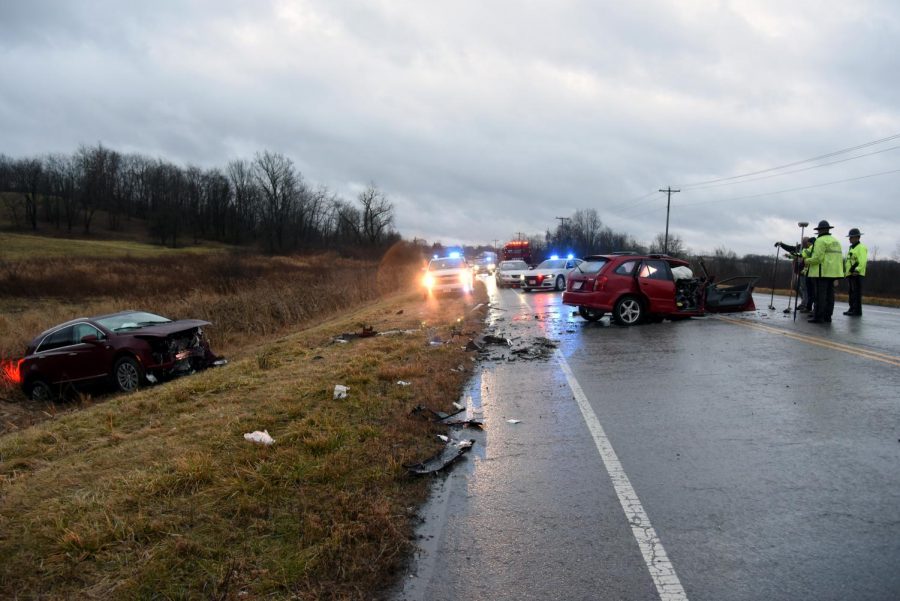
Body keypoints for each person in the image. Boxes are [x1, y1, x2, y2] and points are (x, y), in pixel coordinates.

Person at [804, 220, 843, 323]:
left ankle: (818, 316)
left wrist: (806, 260)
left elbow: (817, 258)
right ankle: (827, 316)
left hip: (822, 272)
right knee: (830, 296)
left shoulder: (820, 241)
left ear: (820, 230)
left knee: (820, 296)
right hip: (833, 273)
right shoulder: (836, 241)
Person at [843, 228, 868, 316]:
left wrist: (857, 270)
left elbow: (862, 261)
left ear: (857, 237)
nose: (849, 239)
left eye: (851, 237)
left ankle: (857, 310)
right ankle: (852, 308)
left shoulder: (860, 248)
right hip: (851, 274)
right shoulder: (852, 248)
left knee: (856, 293)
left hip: (856, 274)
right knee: (851, 292)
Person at [800, 236, 816, 312]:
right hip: (808, 272)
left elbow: (804, 255)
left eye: (808, 243)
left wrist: (802, 251)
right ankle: (808, 306)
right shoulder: (811, 248)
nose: (807, 244)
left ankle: (809, 307)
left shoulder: (812, 248)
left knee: (811, 291)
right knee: (809, 291)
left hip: (812, 273)